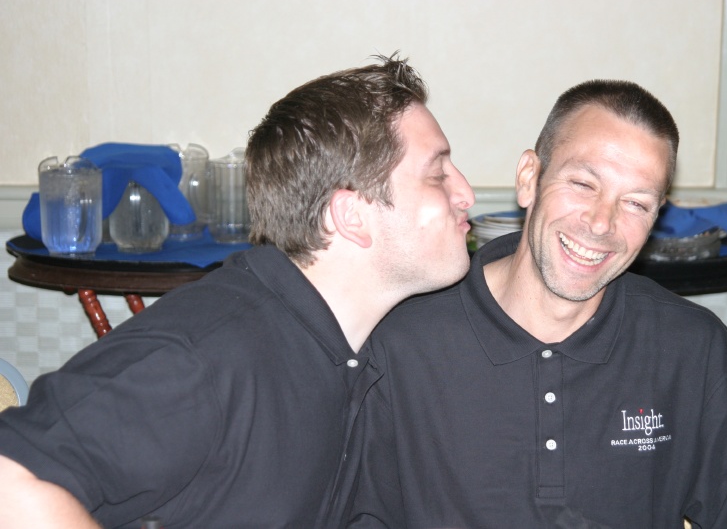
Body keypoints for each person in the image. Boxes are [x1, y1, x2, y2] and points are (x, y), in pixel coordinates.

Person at [0, 54, 475, 528]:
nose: (466, 195)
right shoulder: (204, 356)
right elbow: (12, 480)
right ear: (351, 216)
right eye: (437, 175)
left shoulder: (354, 344)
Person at [349, 80, 727, 528]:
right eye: (583, 184)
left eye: (636, 203)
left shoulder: (695, 350)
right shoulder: (398, 342)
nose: (602, 223)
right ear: (529, 178)